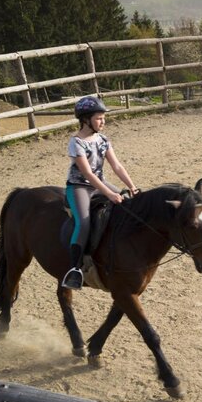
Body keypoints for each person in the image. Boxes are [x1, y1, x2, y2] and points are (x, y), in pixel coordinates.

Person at [62, 96, 139, 289]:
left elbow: (117, 166)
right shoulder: (76, 142)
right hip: (79, 187)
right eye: (99, 118)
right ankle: (74, 269)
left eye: (104, 118)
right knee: (84, 222)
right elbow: (87, 174)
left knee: (128, 205)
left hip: (100, 183)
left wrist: (132, 186)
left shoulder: (103, 140)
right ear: (86, 120)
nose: (103, 121)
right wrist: (109, 194)